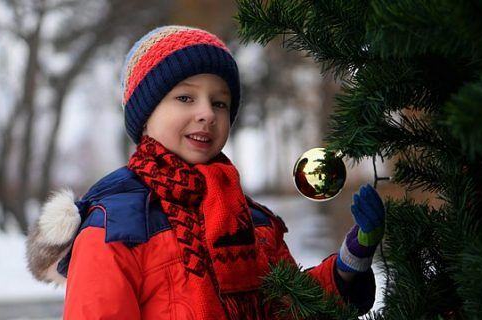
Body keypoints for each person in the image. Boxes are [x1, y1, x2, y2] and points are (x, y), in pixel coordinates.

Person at [26, 25, 385, 320]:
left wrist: (350, 263)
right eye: (185, 98)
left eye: (220, 102)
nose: (207, 113)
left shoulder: (252, 222)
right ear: (145, 114)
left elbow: (291, 307)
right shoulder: (114, 227)